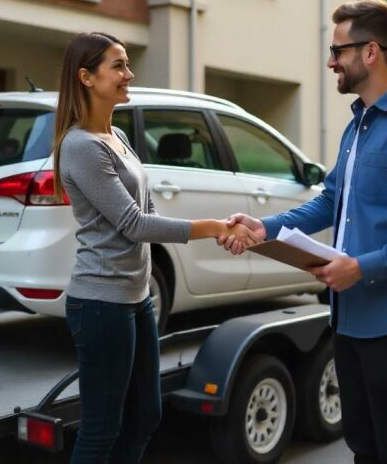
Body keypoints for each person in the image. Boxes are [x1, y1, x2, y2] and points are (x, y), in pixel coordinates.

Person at [219, 0, 387, 464]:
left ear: (370, 52)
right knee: (364, 447)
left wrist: (361, 268)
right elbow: (332, 200)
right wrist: (264, 227)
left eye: (337, 51)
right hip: (347, 318)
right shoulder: (358, 125)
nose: (331, 62)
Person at [52, 31, 259, 464]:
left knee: (146, 414)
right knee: (101, 429)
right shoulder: (82, 146)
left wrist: (211, 227)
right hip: (101, 303)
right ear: (86, 77)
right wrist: (214, 227)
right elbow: (134, 224)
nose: (129, 74)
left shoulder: (116, 136)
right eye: (118, 66)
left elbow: (148, 209)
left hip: (136, 297)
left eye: (128, 64)